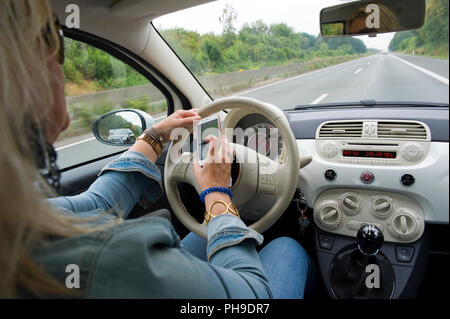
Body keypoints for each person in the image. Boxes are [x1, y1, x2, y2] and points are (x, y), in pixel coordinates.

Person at [0, 0, 313, 298]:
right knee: (287, 247)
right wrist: (217, 193)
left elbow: (97, 206)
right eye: (52, 36)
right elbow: (252, 297)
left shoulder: (20, 221)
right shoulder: (109, 260)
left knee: (201, 237)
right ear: (22, 75)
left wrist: (154, 137)